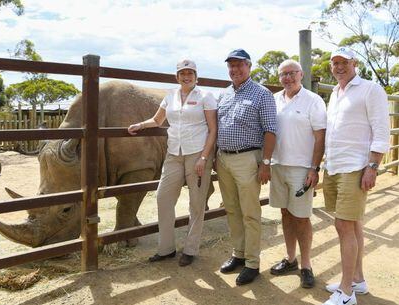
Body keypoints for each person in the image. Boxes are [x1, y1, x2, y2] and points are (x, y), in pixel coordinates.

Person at [319, 47, 390, 305]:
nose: (338, 67)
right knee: (355, 224)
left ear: (354, 63)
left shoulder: (370, 90)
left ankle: (346, 292)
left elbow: (381, 131)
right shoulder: (336, 93)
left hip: (356, 166)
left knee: (343, 226)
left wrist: (372, 166)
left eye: (343, 62)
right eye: (334, 63)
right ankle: (357, 279)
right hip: (335, 166)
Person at [128, 59, 217, 267]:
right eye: (182, 73)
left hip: (197, 154)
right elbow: (157, 121)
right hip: (173, 154)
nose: (186, 76)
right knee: (163, 198)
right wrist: (140, 125)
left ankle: (190, 249)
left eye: (190, 73)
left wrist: (204, 157)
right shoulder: (170, 96)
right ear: (176, 76)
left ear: (196, 76)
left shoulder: (206, 96)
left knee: (196, 204)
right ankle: (166, 248)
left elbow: (213, 129)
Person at [216, 49, 277, 285]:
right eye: (231, 66)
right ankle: (238, 254)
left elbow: (271, 130)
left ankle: (252, 263)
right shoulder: (224, 95)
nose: (235, 70)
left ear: (249, 66)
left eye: (239, 65)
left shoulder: (262, 94)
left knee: (250, 212)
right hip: (224, 159)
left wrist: (266, 163)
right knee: (232, 210)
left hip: (248, 159)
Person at [269, 59, 326, 288]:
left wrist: (314, 168)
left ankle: (306, 265)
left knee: (301, 218)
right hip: (278, 165)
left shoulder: (313, 101)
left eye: (292, 73)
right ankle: (291, 259)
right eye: (283, 74)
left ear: (301, 74)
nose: (288, 78)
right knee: (285, 213)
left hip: (302, 169)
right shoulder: (274, 100)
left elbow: (320, 137)